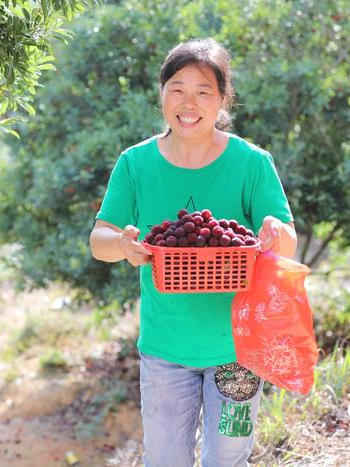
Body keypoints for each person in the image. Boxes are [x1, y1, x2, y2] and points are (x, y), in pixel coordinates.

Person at [89, 37, 297, 467]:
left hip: (238, 353)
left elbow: (286, 238)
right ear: (161, 93)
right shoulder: (135, 163)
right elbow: (100, 241)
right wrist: (125, 245)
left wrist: (275, 233)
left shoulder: (252, 163)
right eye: (177, 88)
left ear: (222, 99)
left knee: (229, 461)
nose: (189, 102)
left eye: (203, 91)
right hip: (166, 351)